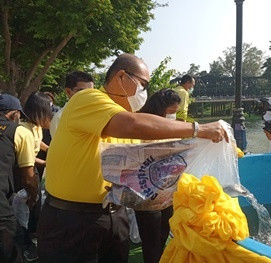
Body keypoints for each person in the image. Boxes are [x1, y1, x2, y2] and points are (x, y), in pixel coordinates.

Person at [37, 53, 227, 263]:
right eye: (143, 85)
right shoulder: (88, 99)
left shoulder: (124, 122)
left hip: (114, 215)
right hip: (71, 220)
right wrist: (197, 129)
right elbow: (132, 124)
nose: (144, 93)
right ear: (121, 77)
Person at [135, 88, 181, 263]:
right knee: (151, 242)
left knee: (163, 235)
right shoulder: (139, 124)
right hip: (145, 193)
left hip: (166, 192)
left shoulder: (168, 127)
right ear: (159, 108)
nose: (173, 117)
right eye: (171, 113)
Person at [0, 94, 38, 263]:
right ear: (14, 113)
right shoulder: (19, 131)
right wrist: (33, 196)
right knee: (12, 254)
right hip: (2, 208)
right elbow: (28, 176)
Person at [20, 91, 53, 261]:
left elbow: (38, 141)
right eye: (49, 109)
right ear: (39, 111)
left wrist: (51, 149)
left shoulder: (37, 127)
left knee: (35, 207)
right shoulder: (23, 130)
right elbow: (28, 160)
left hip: (33, 171)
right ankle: (25, 245)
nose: (51, 114)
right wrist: (47, 163)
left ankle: (32, 238)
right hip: (25, 174)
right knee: (26, 208)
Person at [50, 71, 94, 137]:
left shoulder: (94, 113)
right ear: (68, 92)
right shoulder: (60, 119)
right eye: (82, 91)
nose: (87, 95)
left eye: (91, 91)